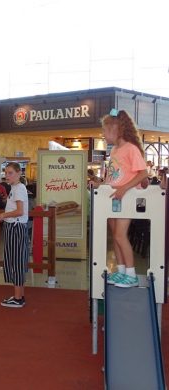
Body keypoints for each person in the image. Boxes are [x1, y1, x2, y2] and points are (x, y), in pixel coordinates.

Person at [98, 109, 148, 288]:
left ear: (115, 129)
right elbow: (112, 175)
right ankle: (121, 271)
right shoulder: (115, 150)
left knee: (120, 235)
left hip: (125, 198)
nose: (103, 134)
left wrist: (124, 188)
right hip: (114, 199)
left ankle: (131, 274)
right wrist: (103, 184)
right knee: (115, 235)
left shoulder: (130, 148)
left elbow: (143, 173)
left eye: (105, 130)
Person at [0, 162, 29, 308]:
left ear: (18, 173)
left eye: (10, 173)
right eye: (5, 172)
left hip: (16, 227)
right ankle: (19, 295)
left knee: (16, 261)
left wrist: (3, 215)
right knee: (15, 259)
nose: (6, 175)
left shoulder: (19, 189)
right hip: (14, 227)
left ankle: (17, 298)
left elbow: (20, 211)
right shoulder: (15, 188)